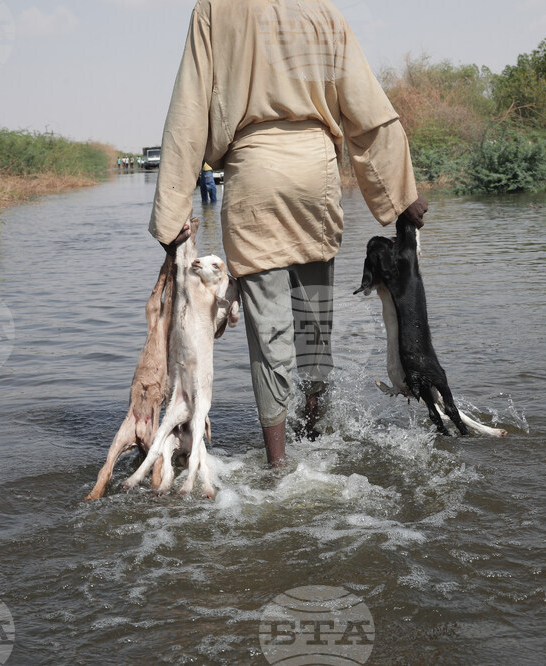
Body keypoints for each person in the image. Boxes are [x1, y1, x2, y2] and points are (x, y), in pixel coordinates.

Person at [149, 0, 428, 466]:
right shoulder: (323, 11)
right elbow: (366, 105)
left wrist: (170, 214)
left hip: (253, 171)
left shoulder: (214, 9)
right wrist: (403, 194)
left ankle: (278, 463)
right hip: (314, 175)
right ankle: (315, 430)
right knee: (314, 322)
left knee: (268, 329)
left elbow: (189, 109)